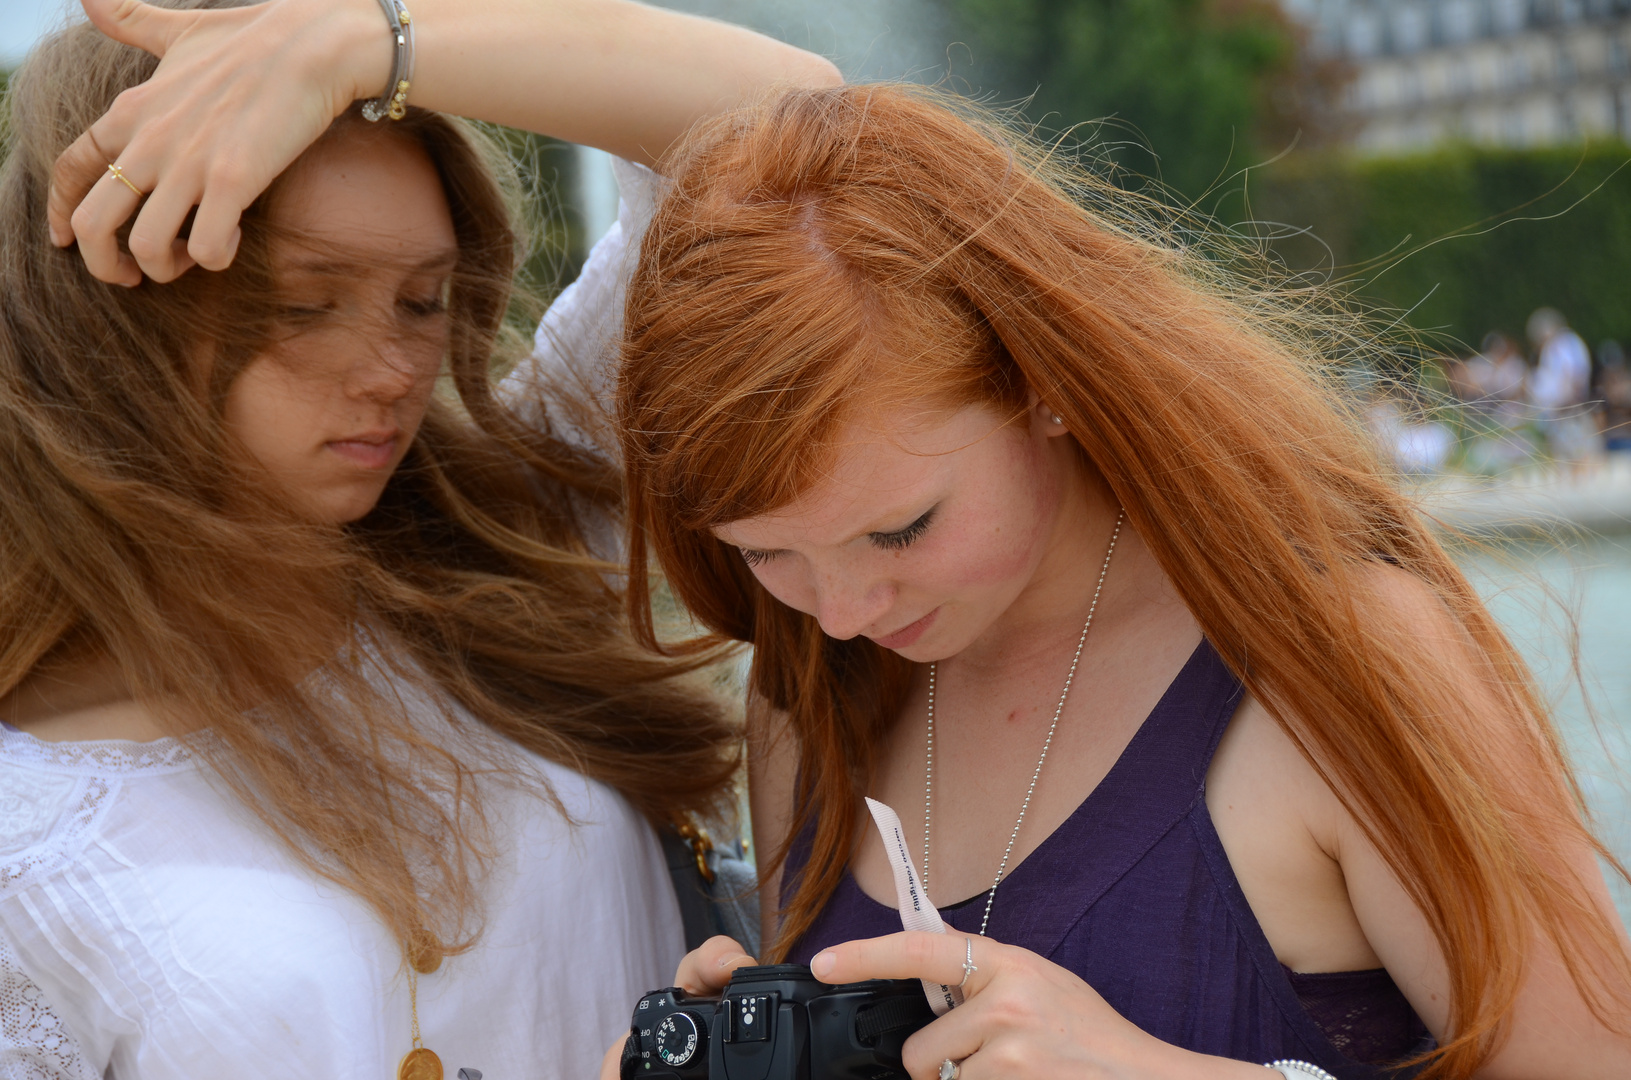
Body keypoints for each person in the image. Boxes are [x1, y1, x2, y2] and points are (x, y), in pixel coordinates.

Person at [611, 87, 1631, 1079]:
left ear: (1041, 380)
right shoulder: (809, 687)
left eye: (901, 529)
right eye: (766, 553)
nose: (840, 611)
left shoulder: (1341, 654)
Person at [0, 1, 836, 1078]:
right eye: (306, 306)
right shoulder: (34, 840)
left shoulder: (504, 537)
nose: (392, 368)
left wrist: (362, 42)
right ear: (105, 314)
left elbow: (790, 126)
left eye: (422, 299)